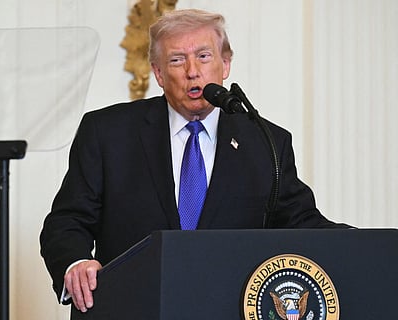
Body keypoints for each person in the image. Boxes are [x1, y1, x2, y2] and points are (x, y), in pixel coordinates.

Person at [39, 8, 348, 318]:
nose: (192, 71)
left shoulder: (266, 141)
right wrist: (76, 263)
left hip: (228, 309)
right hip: (131, 307)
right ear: (159, 73)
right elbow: (66, 222)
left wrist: (369, 246)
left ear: (225, 65)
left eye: (203, 57)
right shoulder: (107, 132)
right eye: (176, 60)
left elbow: (301, 223)